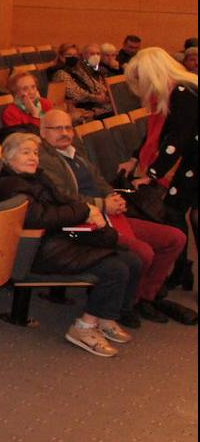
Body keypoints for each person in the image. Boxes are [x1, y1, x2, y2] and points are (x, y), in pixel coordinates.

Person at [36, 109, 194, 326]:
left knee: (175, 238)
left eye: (68, 128)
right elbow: (64, 196)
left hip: (109, 215)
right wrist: (103, 204)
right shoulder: (44, 159)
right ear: (43, 132)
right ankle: (126, 304)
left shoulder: (75, 152)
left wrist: (112, 196)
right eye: (57, 128)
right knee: (143, 252)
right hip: (85, 222)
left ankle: (145, 297)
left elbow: (99, 180)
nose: (64, 133)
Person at [0, 133, 141, 356]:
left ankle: (105, 317)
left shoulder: (37, 177)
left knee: (130, 258)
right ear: (8, 157)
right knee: (114, 268)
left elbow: (63, 200)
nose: (33, 157)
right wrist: (83, 210)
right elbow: (38, 218)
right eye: (25, 153)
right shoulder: (10, 185)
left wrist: (90, 210)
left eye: (35, 153)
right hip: (40, 249)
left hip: (59, 238)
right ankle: (84, 327)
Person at [125, 46, 198, 291]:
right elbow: (157, 135)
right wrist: (136, 158)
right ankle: (181, 270)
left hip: (194, 161)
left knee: (187, 214)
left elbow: (177, 139)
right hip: (192, 161)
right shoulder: (174, 91)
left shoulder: (184, 92)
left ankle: (182, 270)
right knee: (174, 211)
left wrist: (152, 174)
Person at [56, 43, 115, 123]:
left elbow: (95, 87)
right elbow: (75, 93)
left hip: (94, 106)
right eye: (68, 55)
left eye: (75, 55)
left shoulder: (81, 69)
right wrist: (96, 98)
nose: (72, 57)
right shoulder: (60, 73)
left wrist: (105, 94)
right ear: (61, 57)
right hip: (77, 108)